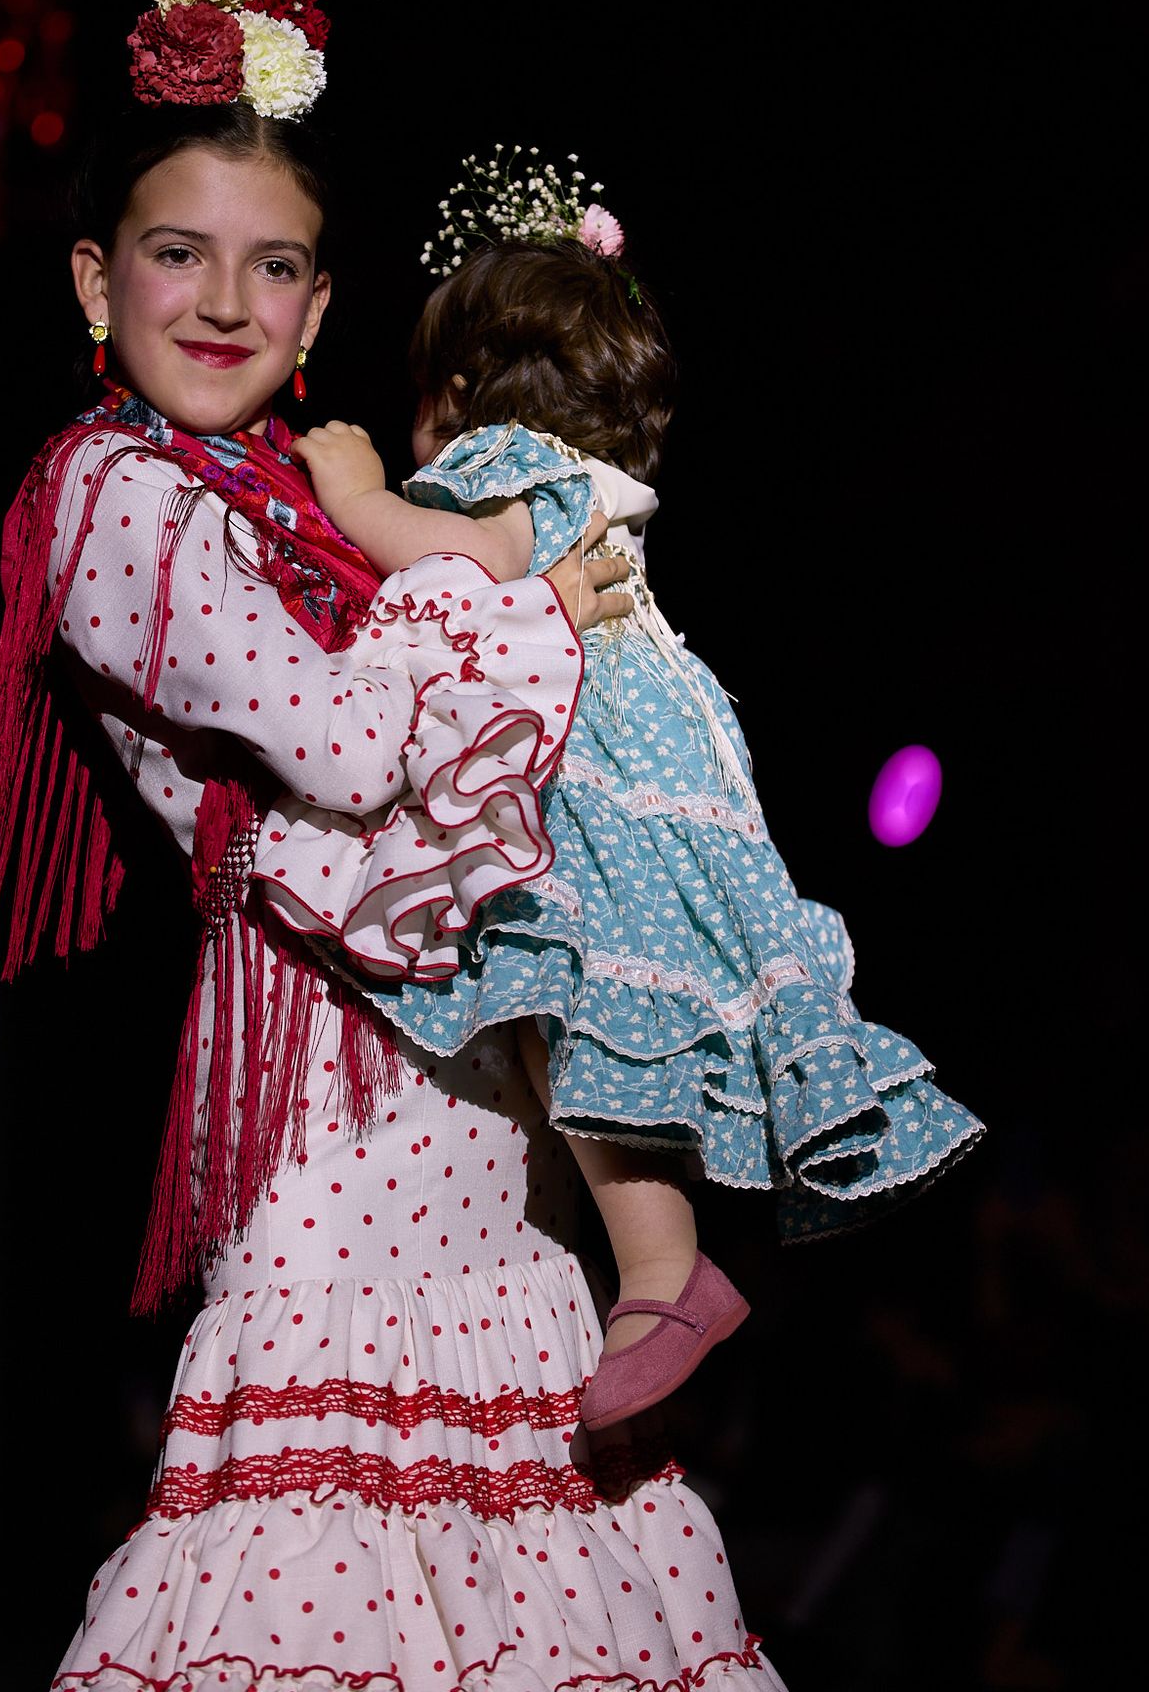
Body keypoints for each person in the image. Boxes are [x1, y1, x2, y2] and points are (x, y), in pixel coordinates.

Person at [0, 0, 791, 1689]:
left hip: (471, 1091)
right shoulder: (111, 495)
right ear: (98, 282)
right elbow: (331, 739)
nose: (225, 303)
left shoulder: (326, 509)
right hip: (325, 1092)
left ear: (324, 309)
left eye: (275, 267)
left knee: (516, 1592)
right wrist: (519, 605)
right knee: (336, 1576)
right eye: (178, 255)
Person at [261, 153, 986, 1433]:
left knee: (570, 985)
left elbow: (472, 557)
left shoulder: (500, 465)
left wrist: (362, 492)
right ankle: (651, 1272)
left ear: (462, 393)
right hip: (670, 761)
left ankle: (662, 1272)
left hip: (597, 767)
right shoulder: (596, 482)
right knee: (596, 1003)